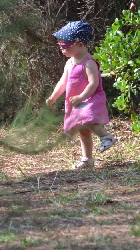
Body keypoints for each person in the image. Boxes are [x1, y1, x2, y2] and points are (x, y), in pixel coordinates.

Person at [46, 20, 116, 169]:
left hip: (90, 99)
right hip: (77, 102)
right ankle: (87, 159)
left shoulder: (89, 62)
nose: (61, 48)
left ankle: (106, 136)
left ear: (80, 44)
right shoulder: (70, 63)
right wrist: (53, 97)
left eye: (64, 45)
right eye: (60, 45)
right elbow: (63, 82)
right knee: (83, 131)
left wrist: (81, 97)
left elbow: (94, 83)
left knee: (87, 120)